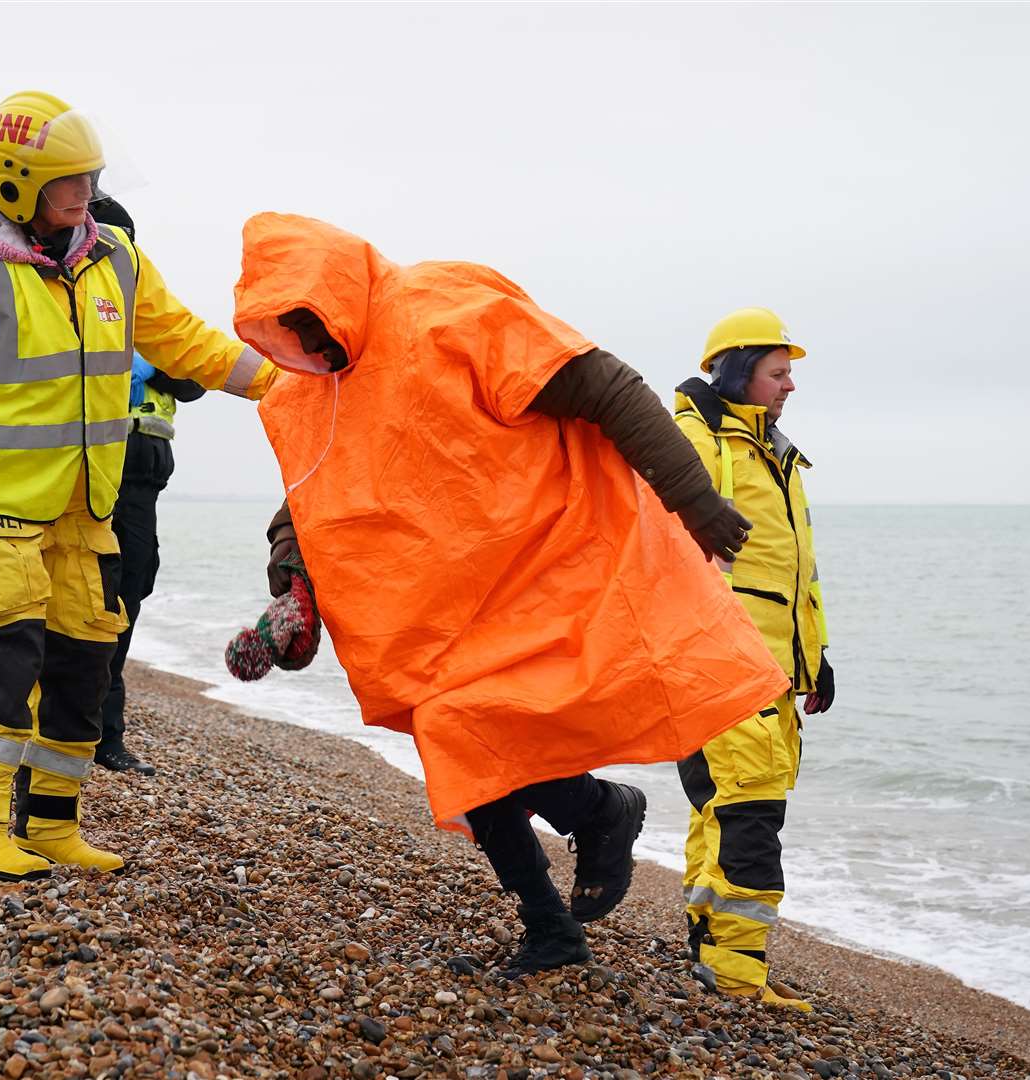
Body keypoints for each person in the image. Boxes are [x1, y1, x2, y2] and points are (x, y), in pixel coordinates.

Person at [235, 213, 790, 976]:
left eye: (312, 320)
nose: (308, 341)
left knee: (485, 732)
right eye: (287, 330)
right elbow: (305, 499)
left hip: (550, 566)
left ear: (338, 289)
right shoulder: (306, 389)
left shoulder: (450, 311)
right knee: (457, 733)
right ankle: (562, 900)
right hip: (439, 612)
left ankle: (593, 833)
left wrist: (692, 501)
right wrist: (290, 596)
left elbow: (604, 384)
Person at [0, 92, 275, 881]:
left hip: (83, 508)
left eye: (91, 179)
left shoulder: (116, 260)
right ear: (14, 186)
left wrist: (282, 385)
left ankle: (50, 824)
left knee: (83, 661)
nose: (86, 196)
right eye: (68, 183)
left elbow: (187, 343)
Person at [673, 308, 833, 1011]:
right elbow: (672, 544)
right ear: (738, 371)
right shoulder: (698, 439)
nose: (790, 384)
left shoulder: (775, 452)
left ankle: (710, 950)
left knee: (720, 807)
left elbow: (796, 571)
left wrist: (816, 657)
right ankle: (738, 974)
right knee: (750, 812)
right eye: (778, 371)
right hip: (721, 662)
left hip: (771, 667)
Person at [88, 200, 205, 777]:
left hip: (141, 481)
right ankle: (79, 731)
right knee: (85, 597)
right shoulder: (68, 298)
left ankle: (103, 733)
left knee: (128, 591)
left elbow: (194, 380)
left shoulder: (147, 307)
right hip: (83, 471)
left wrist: (152, 358)